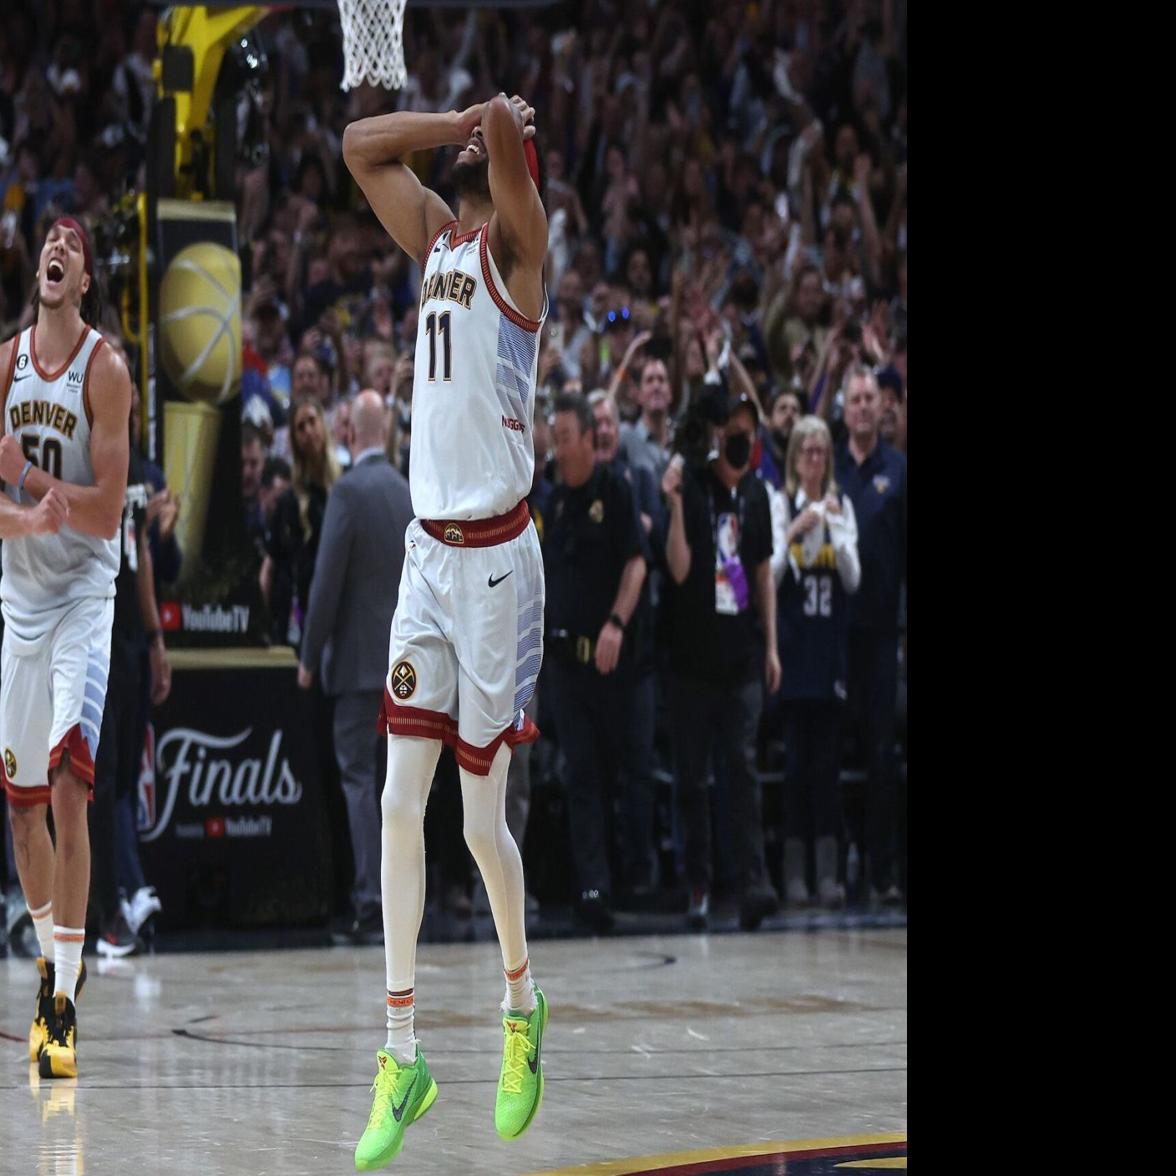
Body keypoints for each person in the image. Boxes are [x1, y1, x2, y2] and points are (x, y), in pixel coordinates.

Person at [343, 89, 550, 1165]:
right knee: (394, 803)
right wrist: (458, 116)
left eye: (489, 144)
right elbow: (356, 147)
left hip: (501, 565)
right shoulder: (435, 238)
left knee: (477, 826)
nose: (475, 146)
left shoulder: (523, 246)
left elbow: (510, 150)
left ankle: (521, 1006)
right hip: (428, 559)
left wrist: (497, 124)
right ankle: (401, 1053)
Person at [0, 216, 130, 1079]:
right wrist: (22, 515)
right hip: (20, 596)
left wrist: (36, 483)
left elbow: (109, 508)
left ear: (82, 279)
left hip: (84, 593)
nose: (59, 247)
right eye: (50, 238)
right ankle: (52, 956)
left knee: (71, 787)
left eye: (73, 244)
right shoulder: (4, 362)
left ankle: (65, 1003)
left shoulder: (106, 368)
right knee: (21, 802)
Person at [661, 395, 781, 932]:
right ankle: (700, 885)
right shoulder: (692, 485)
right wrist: (676, 505)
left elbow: (760, 575)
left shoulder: (756, 495)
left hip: (741, 660)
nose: (740, 438)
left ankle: (754, 881)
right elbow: (680, 569)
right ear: (715, 434)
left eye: (746, 432)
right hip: (691, 662)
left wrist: (772, 646)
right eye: (731, 430)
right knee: (692, 779)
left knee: (743, 768)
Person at [297, 390, 413, 941]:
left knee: (359, 782)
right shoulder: (407, 491)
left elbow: (325, 587)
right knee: (403, 788)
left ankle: (371, 900)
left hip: (355, 668)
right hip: (409, 668)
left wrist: (308, 654)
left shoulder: (346, 493)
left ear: (349, 435)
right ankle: (406, 898)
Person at [542, 392, 648, 930]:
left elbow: (636, 563)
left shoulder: (617, 491)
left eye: (565, 438)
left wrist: (617, 624)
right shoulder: (552, 500)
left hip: (613, 665)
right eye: (554, 439)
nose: (559, 450)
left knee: (626, 773)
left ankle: (637, 880)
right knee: (580, 777)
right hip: (564, 666)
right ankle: (593, 889)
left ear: (589, 438)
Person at [90, 377, 173, 955]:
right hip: (83, 631)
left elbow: (144, 555)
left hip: (126, 642)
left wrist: (155, 637)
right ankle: (102, 906)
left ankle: (122, 891)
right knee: (95, 773)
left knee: (118, 776)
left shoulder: (139, 470)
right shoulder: (84, 460)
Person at [776, 416, 859, 908]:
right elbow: (770, 568)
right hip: (791, 654)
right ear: (794, 458)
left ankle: (827, 874)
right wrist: (794, 531)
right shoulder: (781, 502)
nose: (813, 459)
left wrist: (832, 528)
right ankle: (793, 875)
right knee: (794, 770)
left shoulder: (841, 505)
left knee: (826, 770)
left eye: (821, 451)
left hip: (828, 658)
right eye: (806, 451)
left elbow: (852, 578)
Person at [834, 365, 905, 907]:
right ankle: (846, 864)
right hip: (834, 636)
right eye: (854, 399)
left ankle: (882, 869)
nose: (862, 407)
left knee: (882, 755)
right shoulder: (827, 468)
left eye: (868, 399)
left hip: (882, 635)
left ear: (881, 408)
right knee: (839, 754)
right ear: (843, 408)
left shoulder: (898, 470)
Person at [260, 395, 340, 647]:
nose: (308, 431)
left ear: (323, 425)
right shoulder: (289, 501)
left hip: (340, 613)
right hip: (302, 617)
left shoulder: (344, 489)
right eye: (300, 427)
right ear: (294, 439)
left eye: (311, 422)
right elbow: (270, 567)